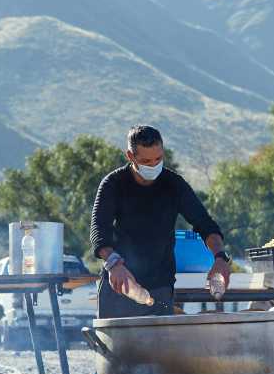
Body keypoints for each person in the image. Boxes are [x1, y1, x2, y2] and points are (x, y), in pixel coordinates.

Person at [89, 125, 230, 318]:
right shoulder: (113, 184)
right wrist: (114, 264)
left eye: (158, 159)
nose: (153, 165)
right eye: (146, 161)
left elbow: (205, 224)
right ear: (130, 156)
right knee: (118, 348)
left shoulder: (174, 185)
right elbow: (99, 232)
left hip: (161, 288)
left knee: (161, 347)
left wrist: (220, 258)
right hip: (121, 284)